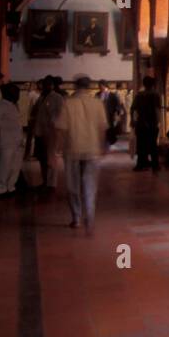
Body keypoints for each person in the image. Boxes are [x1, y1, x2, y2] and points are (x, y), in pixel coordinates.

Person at [55, 75, 109, 235]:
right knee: (90, 185)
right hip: (92, 149)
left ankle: (77, 217)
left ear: (75, 86)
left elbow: (62, 129)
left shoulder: (68, 104)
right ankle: (90, 216)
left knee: (73, 185)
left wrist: (57, 149)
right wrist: (102, 146)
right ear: (89, 87)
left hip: (72, 149)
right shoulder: (97, 103)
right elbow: (102, 128)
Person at [0, 83, 26, 196]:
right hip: (6, 143)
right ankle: (1, 189)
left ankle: (11, 187)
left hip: (16, 142)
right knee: (3, 168)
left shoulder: (13, 105)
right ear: (8, 93)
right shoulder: (1, 106)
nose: (17, 95)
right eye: (15, 92)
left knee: (14, 167)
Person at [32, 75, 65, 193]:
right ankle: (44, 181)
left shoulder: (57, 98)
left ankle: (51, 184)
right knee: (42, 158)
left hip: (52, 133)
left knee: (51, 159)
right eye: (43, 84)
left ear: (51, 85)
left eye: (47, 84)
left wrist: (53, 124)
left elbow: (60, 114)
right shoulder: (41, 98)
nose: (44, 86)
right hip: (40, 132)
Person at [132, 75, 162, 172]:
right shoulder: (156, 95)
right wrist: (158, 122)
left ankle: (141, 164)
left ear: (144, 84)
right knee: (153, 144)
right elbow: (157, 109)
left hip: (141, 123)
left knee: (141, 145)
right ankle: (155, 165)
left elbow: (133, 109)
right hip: (152, 123)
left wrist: (133, 121)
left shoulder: (139, 95)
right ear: (153, 85)